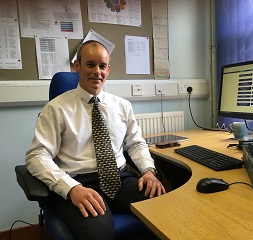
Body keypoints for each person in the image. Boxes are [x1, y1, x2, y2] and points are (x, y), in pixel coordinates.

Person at [25, 40, 166, 240]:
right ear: (77, 66)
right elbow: (37, 156)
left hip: (119, 179)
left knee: (165, 205)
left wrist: (149, 172)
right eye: (90, 64)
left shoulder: (122, 106)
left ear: (108, 70)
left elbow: (136, 144)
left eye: (102, 66)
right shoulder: (56, 109)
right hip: (79, 182)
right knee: (97, 233)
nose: (97, 72)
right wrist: (71, 188)